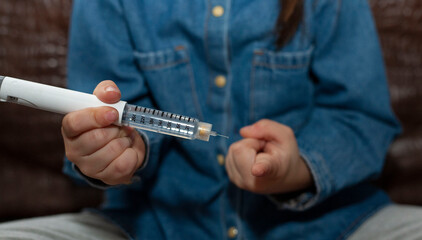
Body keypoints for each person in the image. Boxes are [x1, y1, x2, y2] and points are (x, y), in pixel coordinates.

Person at [1, 0, 422, 239]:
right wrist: (115, 150)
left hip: (328, 228)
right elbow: (116, 117)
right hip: (155, 227)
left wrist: (298, 168)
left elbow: (362, 119)